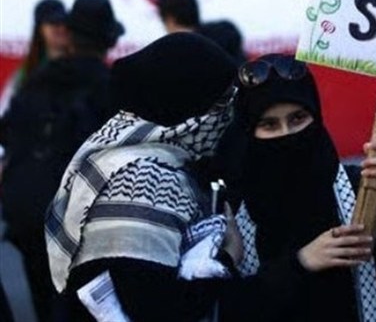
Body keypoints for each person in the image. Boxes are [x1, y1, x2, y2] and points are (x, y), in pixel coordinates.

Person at [220, 54, 376, 322]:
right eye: (269, 124)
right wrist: (301, 264)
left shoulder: (364, 191)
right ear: (248, 132)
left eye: (298, 118)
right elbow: (220, 308)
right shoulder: (231, 208)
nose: (287, 133)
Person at [45, 32, 243, 322]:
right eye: (220, 103)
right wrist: (227, 258)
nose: (227, 116)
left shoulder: (124, 153)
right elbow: (157, 309)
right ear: (187, 106)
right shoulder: (146, 176)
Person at [0, 0, 124, 322]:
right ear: (109, 41)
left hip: (28, 214)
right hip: (81, 222)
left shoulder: (35, 82)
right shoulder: (114, 88)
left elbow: (10, 136)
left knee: (45, 301)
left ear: (70, 36)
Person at [0, 0, 69, 115]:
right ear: (40, 29)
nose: (60, 28)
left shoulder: (77, 66)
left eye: (63, 22)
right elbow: (7, 108)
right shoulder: (27, 70)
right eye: (53, 23)